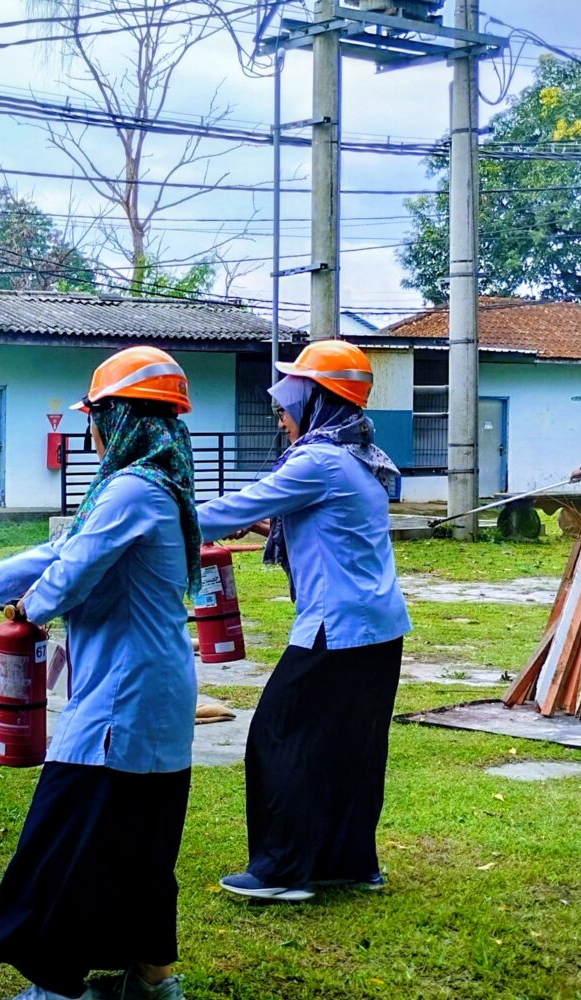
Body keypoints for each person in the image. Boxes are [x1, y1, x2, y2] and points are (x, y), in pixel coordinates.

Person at [0, 346, 201, 1000]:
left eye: (96, 416)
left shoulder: (134, 488)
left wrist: (29, 606)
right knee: (140, 847)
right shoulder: (155, 484)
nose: (90, 430)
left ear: (119, 418)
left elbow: (75, 569)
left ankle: (57, 987)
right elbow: (65, 549)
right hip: (150, 691)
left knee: (63, 842)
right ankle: (151, 980)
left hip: (123, 699)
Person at [194, 340, 411, 903]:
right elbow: (329, 533)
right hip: (378, 627)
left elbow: (235, 505)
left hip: (337, 627)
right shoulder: (358, 456)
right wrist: (266, 528)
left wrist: (158, 518)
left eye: (291, 403)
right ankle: (347, 862)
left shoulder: (318, 461)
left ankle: (281, 870)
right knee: (348, 747)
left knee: (278, 736)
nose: (283, 416)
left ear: (318, 402)